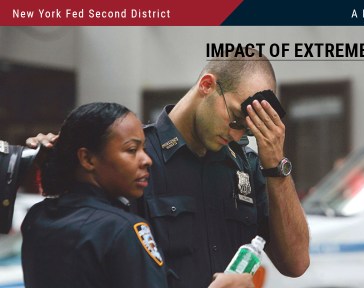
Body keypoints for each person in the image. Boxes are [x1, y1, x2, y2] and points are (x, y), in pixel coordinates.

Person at [26, 50, 310, 288]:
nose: (237, 135)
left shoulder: (246, 165)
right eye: (236, 119)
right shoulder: (134, 160)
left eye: (247, 130)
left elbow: (296, 263)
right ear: (207, 85)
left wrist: (276, 166)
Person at [21, 102, 254, 288]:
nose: (146, 160)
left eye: (143, 148)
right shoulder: (122, 230)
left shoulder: (37, 217)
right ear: (87, 159)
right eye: (132, 150)